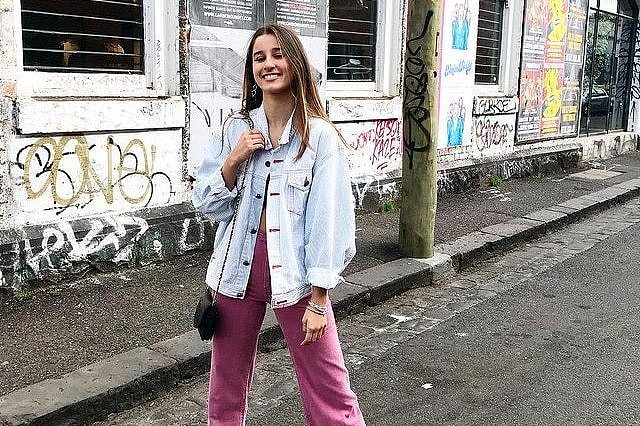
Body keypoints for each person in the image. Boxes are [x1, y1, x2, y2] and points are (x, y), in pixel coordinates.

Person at [192, 23, 366, 426]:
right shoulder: (235, 128)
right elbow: (207, 205)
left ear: (295, 63)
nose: (268, 64)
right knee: (224, 392)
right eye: (259, 57)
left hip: (298, 275)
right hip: (236, 270)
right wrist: (233, 159)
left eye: (277, 54)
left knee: (329, 390)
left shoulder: (318, 136)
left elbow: (330, 220)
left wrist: (320, 300)